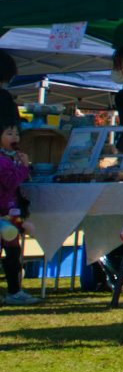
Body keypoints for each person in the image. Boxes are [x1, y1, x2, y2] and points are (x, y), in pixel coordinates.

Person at [0, 119, 38, 306]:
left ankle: (14, 291)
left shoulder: (11, 158)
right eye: (9, 134)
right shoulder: (2, 160)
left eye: (16, 134)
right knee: (11, 252)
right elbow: (9, 183)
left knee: (14, 253)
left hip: (10, 214)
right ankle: (13, 291)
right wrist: (23, 167)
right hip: (3, 215)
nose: (14, 137)